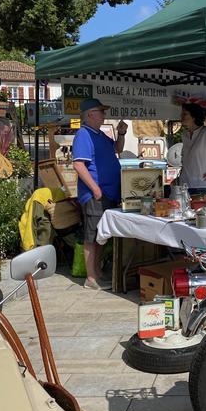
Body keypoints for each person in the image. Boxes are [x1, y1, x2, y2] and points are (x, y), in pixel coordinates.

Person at [73, 98, 127, 290]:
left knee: (101, 235)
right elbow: (78, 164)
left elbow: (118, 149)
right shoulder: (83, 134)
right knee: (92, 235)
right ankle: (90, 277)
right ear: (90, 115)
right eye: (101, 111)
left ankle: (96, 272)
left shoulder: (100, 134)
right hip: (97, 194)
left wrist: (121, 134)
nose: (104, 115)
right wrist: (95, 189)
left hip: (108, 193)